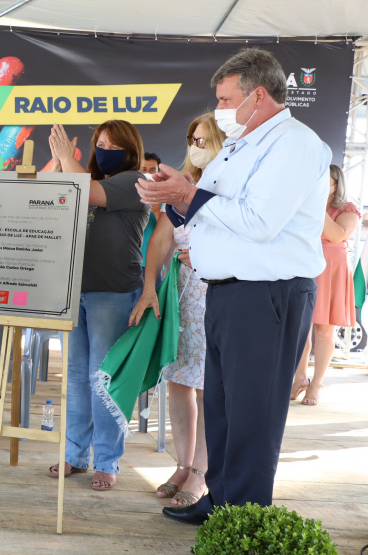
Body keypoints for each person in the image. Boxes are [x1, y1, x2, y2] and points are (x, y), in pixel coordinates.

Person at [136, 48, 330, 525]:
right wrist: (176, 193)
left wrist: (188, 194)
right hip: (226, 291)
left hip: (267, 294)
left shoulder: (295, 144)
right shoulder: (244, 143)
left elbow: (259, 222)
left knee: (253, 415)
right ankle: (219, 500)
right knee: (223, 408)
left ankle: (242, 518)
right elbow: (210, 209)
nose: (220, 108)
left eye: (225, 98)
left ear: (257, 95)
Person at [129, 113, 226, 507]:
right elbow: (161, 240)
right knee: (179, 381)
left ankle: (202, 474)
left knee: (207, 388)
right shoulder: (180, 186)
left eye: (202, 140)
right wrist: (149, 286)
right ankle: (182, 464)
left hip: (217, 295)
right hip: (181, 294)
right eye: (191, 138)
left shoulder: (229, 184)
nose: (194, 147)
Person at [46, 120, 149, 491]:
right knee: (75, 376)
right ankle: (75, 453)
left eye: (112, 144)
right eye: (99, 143)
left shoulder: (136, 180)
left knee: (103, 379)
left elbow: (87, 191)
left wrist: (64, 158)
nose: (104, 149)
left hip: (113, 293)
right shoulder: (85, 178)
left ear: (129, 150)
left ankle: (107, 461)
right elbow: (44, 195)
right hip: (74, 292)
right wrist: (57, 162)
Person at [291, 165, 359, 406]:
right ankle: (300, 378)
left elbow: (338, 235)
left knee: (324, 328)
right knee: (300, 326)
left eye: (325, 181)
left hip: (331, 268)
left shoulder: (346, 209)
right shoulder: (302, 203)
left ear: (335, 184)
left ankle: (317, 383)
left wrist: (316, 206)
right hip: (305, 264)